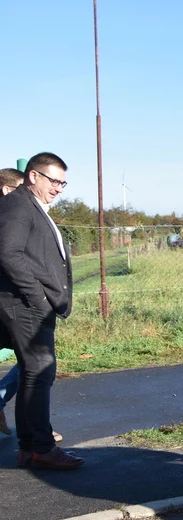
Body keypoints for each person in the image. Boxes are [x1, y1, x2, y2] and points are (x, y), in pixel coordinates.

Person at [0, 153, 79, 469]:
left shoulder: (29, 206)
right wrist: (38, 297)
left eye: (63, 182)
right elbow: (8, 254)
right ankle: (41, 449)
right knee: (39, 371)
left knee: (34, 374)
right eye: (54, 180)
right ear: (33, 176)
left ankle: (30, 447)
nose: (59, 188)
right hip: (25, 305)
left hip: (30, 305)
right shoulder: (19, 206)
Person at [0, 167, 62, 442]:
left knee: (31, 363)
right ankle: (37, 437)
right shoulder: (13, 212)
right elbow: (10, 256)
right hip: (15, 301)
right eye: (18, 190)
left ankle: (34, 433)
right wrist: (37, 296)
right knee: (36, 364)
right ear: (6, 190)